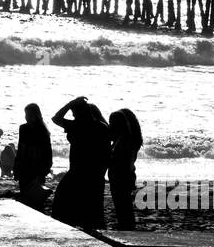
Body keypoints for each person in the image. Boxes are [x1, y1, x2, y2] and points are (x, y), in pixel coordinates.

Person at [50, 97, 111, 230]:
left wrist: (71, 103)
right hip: (95, 174)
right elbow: (107, 154)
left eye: (74, 113)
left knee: (63, 204)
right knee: (92, 211)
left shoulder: (77, 125)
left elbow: (56, 118)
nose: (73, 116)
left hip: (78, 172)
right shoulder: (102, 127)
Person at [107, 108, 143, 230]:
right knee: (124, 205)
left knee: (122, 205)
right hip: (125, 175)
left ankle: (127, 227)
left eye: (111, 123)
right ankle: (127, 226)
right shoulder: (128, 139)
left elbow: (123, 162)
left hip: (120, 176)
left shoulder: (122, 142)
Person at [14, 103, 53, 204]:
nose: (27, 117)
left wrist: (45, 170)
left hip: (37, 167)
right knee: (25, 195)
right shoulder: (23, 128)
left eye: (29, 115)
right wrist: (16, 167)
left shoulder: (43, 131)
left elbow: (47, 152)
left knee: (36, 197)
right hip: (24, 166)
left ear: (36, 115)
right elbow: (20, 149)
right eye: (26, 115)